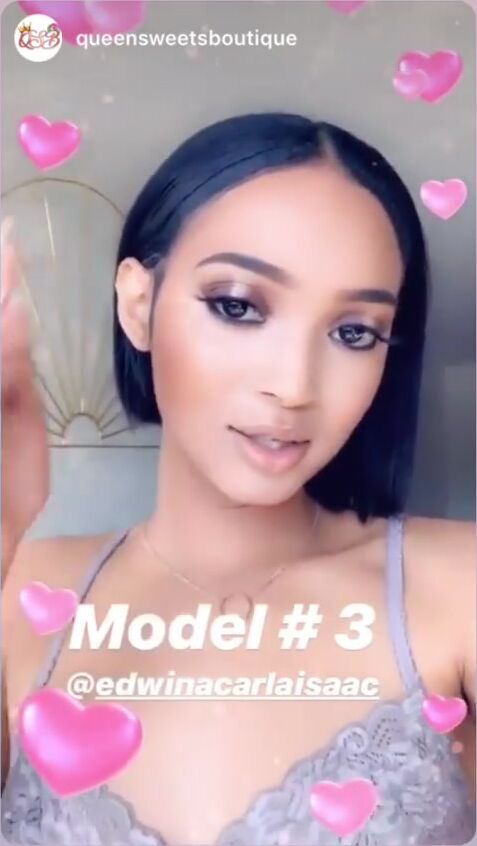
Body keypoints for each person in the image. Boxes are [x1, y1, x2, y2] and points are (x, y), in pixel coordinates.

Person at [0, 112, 475, 846]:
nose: (294, 385)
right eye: (238, 306)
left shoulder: (459, 589)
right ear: (137, 305)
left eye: (353, 332)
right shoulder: (20, 592)